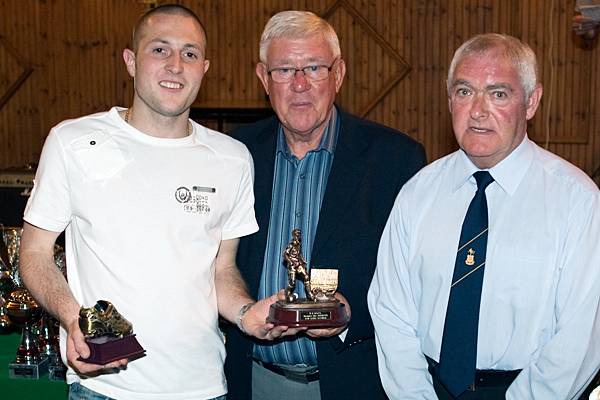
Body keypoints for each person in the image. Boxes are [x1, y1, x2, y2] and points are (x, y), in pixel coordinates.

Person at [18, 4, 291, 400]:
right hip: (105, 387)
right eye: (160, 50)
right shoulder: (71, 142)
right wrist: (73, 319)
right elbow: (35, 254)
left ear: (204, 68)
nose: (176, 65)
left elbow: (221, 269)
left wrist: (247, 314)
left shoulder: (231, 158)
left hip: (203, 388)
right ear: (131, 61)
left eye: (190, 53)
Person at [368, 33, 600, 399]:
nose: (477, 110)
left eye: (498, 93)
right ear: (449, 101)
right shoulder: (418, 193)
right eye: (464, 91)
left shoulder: (577, 202)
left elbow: (580, 338)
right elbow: (390, 310)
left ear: (532, 102)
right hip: (427, 389)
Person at [223, 10, 427, 400]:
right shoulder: (234, 154)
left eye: (314, 67)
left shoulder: (395, 160)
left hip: (352, 380)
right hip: (251, 380)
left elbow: (415, 282)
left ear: (339, 74)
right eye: (284, 70)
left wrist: (351, 317)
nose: (299, 84)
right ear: (263, 78)